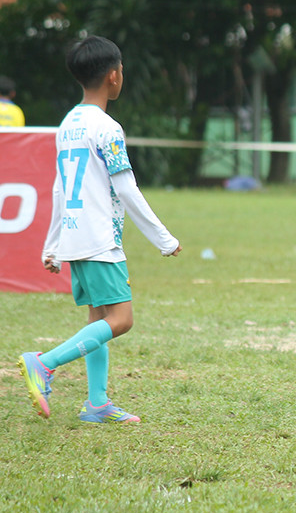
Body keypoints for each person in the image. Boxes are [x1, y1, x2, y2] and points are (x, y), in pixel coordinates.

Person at [17, 36, 182, 424]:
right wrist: (164, 238)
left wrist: (53, 243)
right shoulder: (107, 128)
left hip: (76, 235)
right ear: (113, 75)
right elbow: (125, 187)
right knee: (121, 319)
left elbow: (59, 188)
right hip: (99, 237)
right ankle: (44, 364)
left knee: (99, 319)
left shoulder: (68, 124)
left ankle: (96, 403)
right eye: (121, 70)